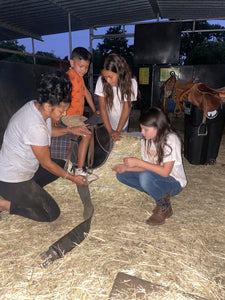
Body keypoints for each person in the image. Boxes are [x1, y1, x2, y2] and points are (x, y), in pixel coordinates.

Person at [0, 71, 91, 222]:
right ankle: (5, 204)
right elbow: (46, 163)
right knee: (50, 213)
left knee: (60, 164)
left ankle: (28, 193)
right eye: (62, 111)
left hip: (23, 168)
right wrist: (73, 178)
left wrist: (69, 129)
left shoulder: (36, 106)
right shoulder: (35, 126)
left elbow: (47, 132)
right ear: (49, 106)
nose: (64, 113)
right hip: (11, 178)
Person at [112, 107, 187, 226]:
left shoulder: (170, 139)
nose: (142, 132)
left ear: (158, 127)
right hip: (154, 178)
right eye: (141, 128)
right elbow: (146, 168)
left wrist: (138, 162)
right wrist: (127, 168)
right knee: (122, 175)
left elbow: (165, 172)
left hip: (174, 182)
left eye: (145, 129)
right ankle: (156, 192)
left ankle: (164, 206)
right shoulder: (145, 141)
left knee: (145, 178)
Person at [61, 47, 100, 182]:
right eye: (81, 66)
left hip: (77, 116)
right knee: (86, 134)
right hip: (69, 116)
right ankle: (79, 169)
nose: (84, 70)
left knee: (96, 124)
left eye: (86, 67)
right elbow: (62, 92)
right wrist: (62, 109)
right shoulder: (69, 76)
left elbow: (87, 93)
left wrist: (95, 110)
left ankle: (88, 162)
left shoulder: (80, 78)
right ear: (72, 63)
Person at [95, 52, 138, 142]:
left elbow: (126, 109)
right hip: (107, 123)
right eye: (105, 76)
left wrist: (118, 131)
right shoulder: (101, 81)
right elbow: (102, 108)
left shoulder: (131, 82)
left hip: (122, 124)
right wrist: (110, 130)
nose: (107, 80)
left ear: (120, 72)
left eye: (110, 76)